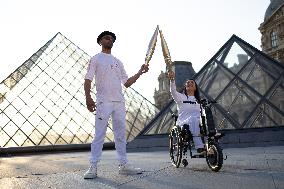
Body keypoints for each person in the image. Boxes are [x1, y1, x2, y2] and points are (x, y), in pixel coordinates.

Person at [83, 31, 149, 179]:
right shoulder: (95, 59)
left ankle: (123, 165)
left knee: (120, 135)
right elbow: (88, 79)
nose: (110, 40)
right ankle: (93, 166)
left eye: (112, 39)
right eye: (107, 38)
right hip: (103, 101)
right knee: (99, 135)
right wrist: (88, 97)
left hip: (119, 102)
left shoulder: (118, 62)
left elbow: (127, 83)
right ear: (100, 41)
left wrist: (140, 72)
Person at [168, 70, 206, 154]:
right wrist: (172, 79)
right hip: (184, 122)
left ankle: (212, 143)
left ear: (195, 88)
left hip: (198, 121)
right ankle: (199, 147)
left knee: (207, 117)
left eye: (192, 82)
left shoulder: (199, 101)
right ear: (185, 87)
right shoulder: (181, 97)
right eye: (187, 83)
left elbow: (203, 113)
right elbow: (173, 91)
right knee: (193, 119)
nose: (189, 83)